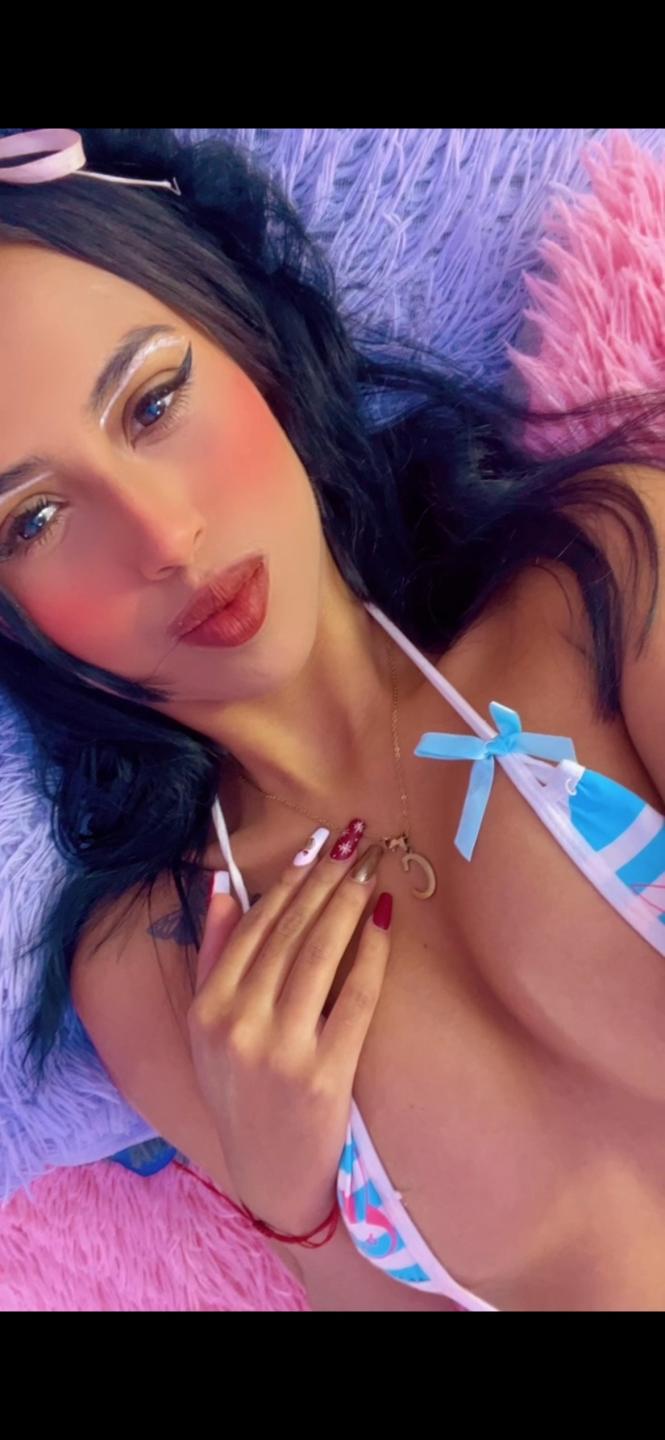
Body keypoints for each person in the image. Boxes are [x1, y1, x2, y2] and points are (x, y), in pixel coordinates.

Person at [3, 128, 665, 1311]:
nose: (163, 536)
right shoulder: (156, 965)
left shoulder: (608, 580)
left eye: (154, 400)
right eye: (35, 521)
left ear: (248, 344)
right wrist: (293, 1206)